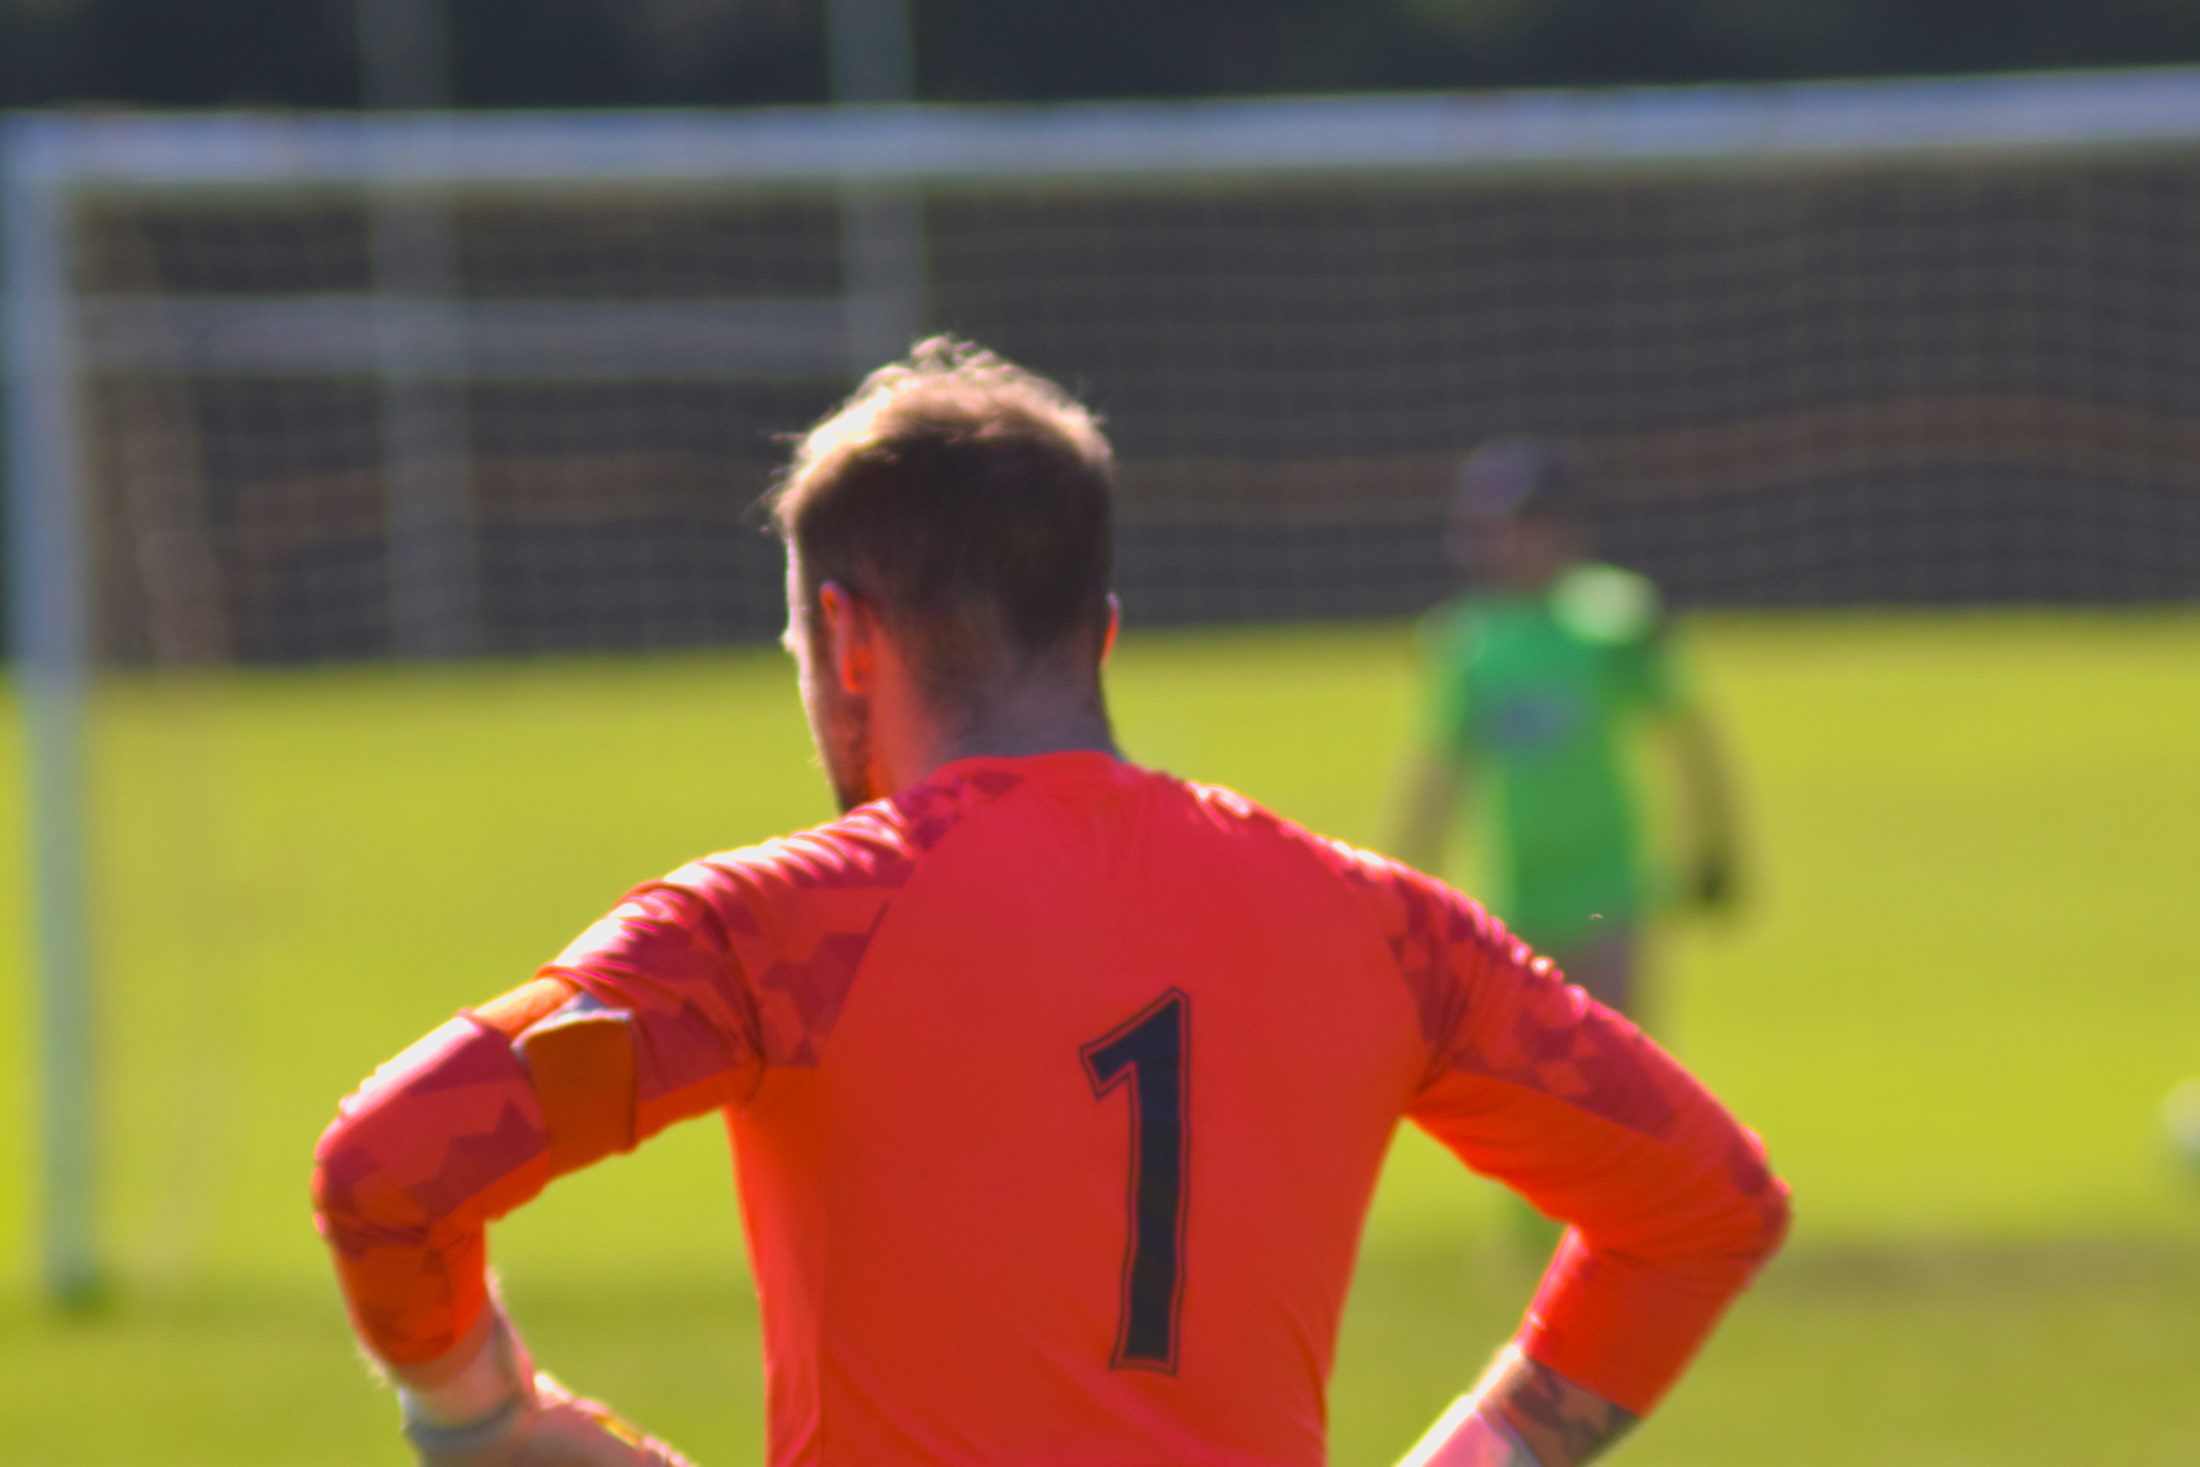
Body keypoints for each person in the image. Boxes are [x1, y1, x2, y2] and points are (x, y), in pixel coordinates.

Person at [313, 340, 1789, 1467]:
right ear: (1102, 633)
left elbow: (389, 1163)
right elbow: (1705, 1205)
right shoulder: (1381, 928)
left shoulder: (784, 928)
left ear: (844, 634)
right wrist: (1491, 1448)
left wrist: (483, 1413)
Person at [1391, 439, 1740, 1021]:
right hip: (1519, 899)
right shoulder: (1466, 642)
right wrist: (1406, 889)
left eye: (1527, 524)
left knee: (1626, 1072)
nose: (1512, 543)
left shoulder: (1612, 620)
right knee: (1529, 1084)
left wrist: (1713, 843)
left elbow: (1684, 732)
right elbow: (1441, 775)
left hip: (1610, 897)